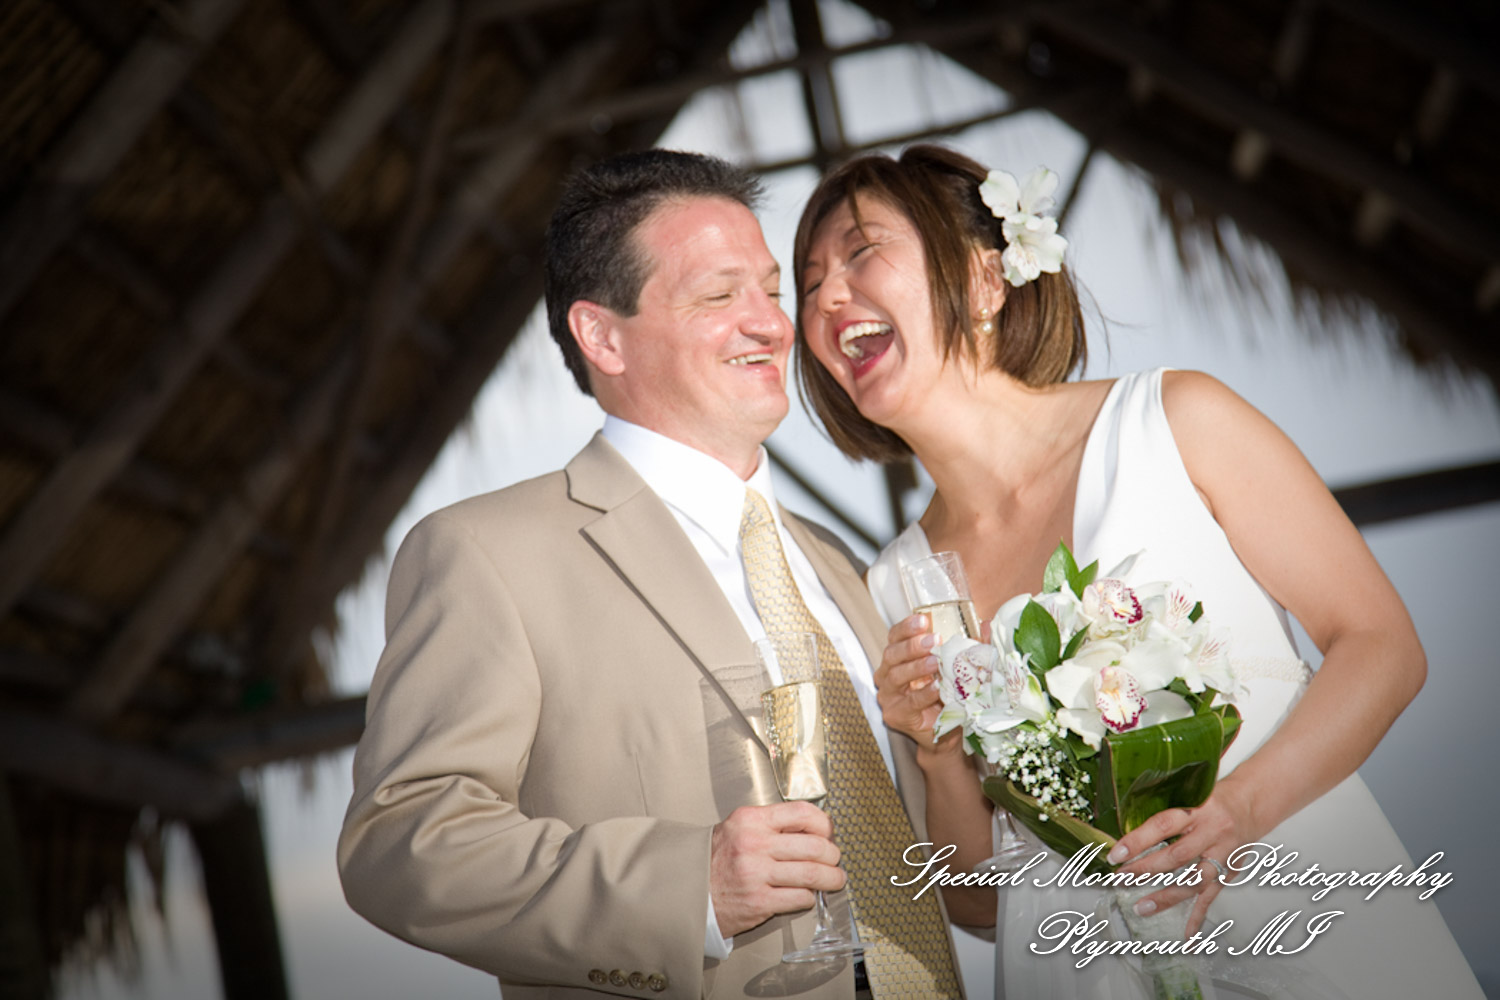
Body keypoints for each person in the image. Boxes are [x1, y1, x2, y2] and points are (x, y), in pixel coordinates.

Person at [791, 144, 1483, 998]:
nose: (824, 297)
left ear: (983, 280)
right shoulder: (896, 584)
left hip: (1305, 920)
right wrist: (935, 756)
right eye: (810, 281)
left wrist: (1238, 812)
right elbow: (979, 902)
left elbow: (1383, 647)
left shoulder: (1175, 419)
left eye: (861, 253)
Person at [338, 149, 966, 1000]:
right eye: (719, 296)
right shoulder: (484, 552)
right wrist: (686, 887)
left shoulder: (847, 569)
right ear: (602, 335)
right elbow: (399, 842)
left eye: (772, 291)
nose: (776, 325)